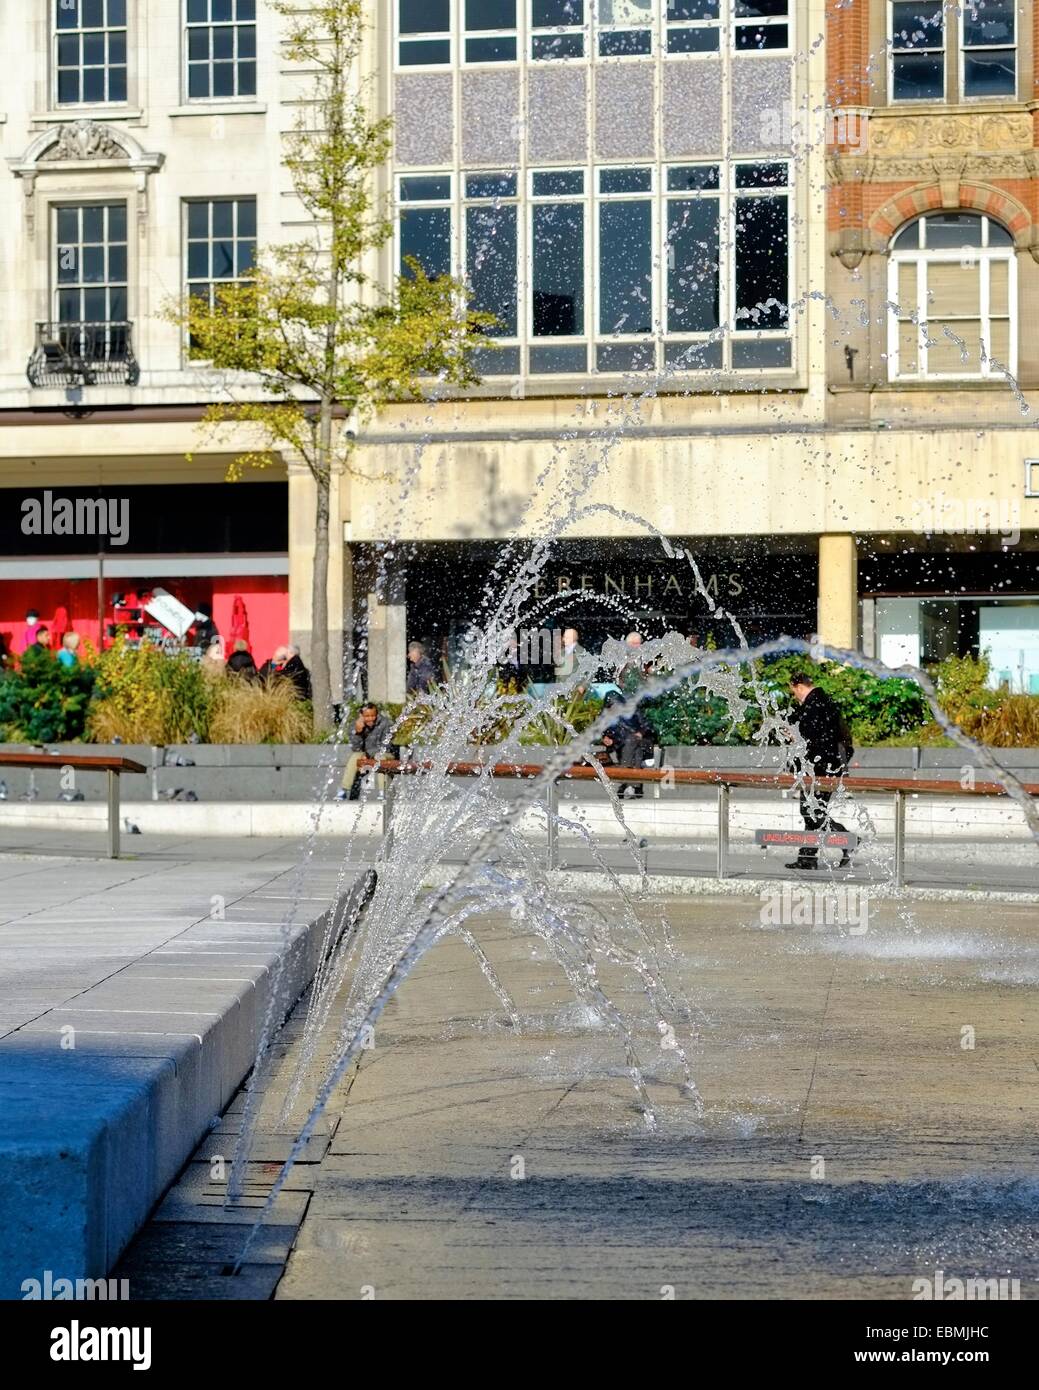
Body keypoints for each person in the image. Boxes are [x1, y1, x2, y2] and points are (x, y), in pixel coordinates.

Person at [785, 672, 854, 871]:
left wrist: (794, 736)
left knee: (810, 811)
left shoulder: (814, 705)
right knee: (812, 811)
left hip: (819, 769)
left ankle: (848, 839)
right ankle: (807, 858)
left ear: (797, 686)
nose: (795, 696)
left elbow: (812, 740)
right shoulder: (823, 701)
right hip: (826, 767)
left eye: (793, 691)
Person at [594, 692, 656, 800]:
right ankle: (634, 787)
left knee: (632, 740)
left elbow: (647, 726)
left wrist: (641, 733)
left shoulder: (632, 711)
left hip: (643, 742)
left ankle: (624, 778)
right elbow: (605, 733)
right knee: (637, 753)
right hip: (624, 746)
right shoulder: (606, 716)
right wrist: (606, 739)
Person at [336, 702, 393, 801]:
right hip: (366, 755)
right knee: (355, 757)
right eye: (367, 716)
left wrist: (368, 754)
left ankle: (382, 792)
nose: (370, 718)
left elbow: (386, 745)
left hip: (384, 754)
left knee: (380, 758)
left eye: (373, 715)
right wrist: (358, 732)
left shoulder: (385, 723)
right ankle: (344, 790)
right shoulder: (355, 725)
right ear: (361, 716)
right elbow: (355, 747)